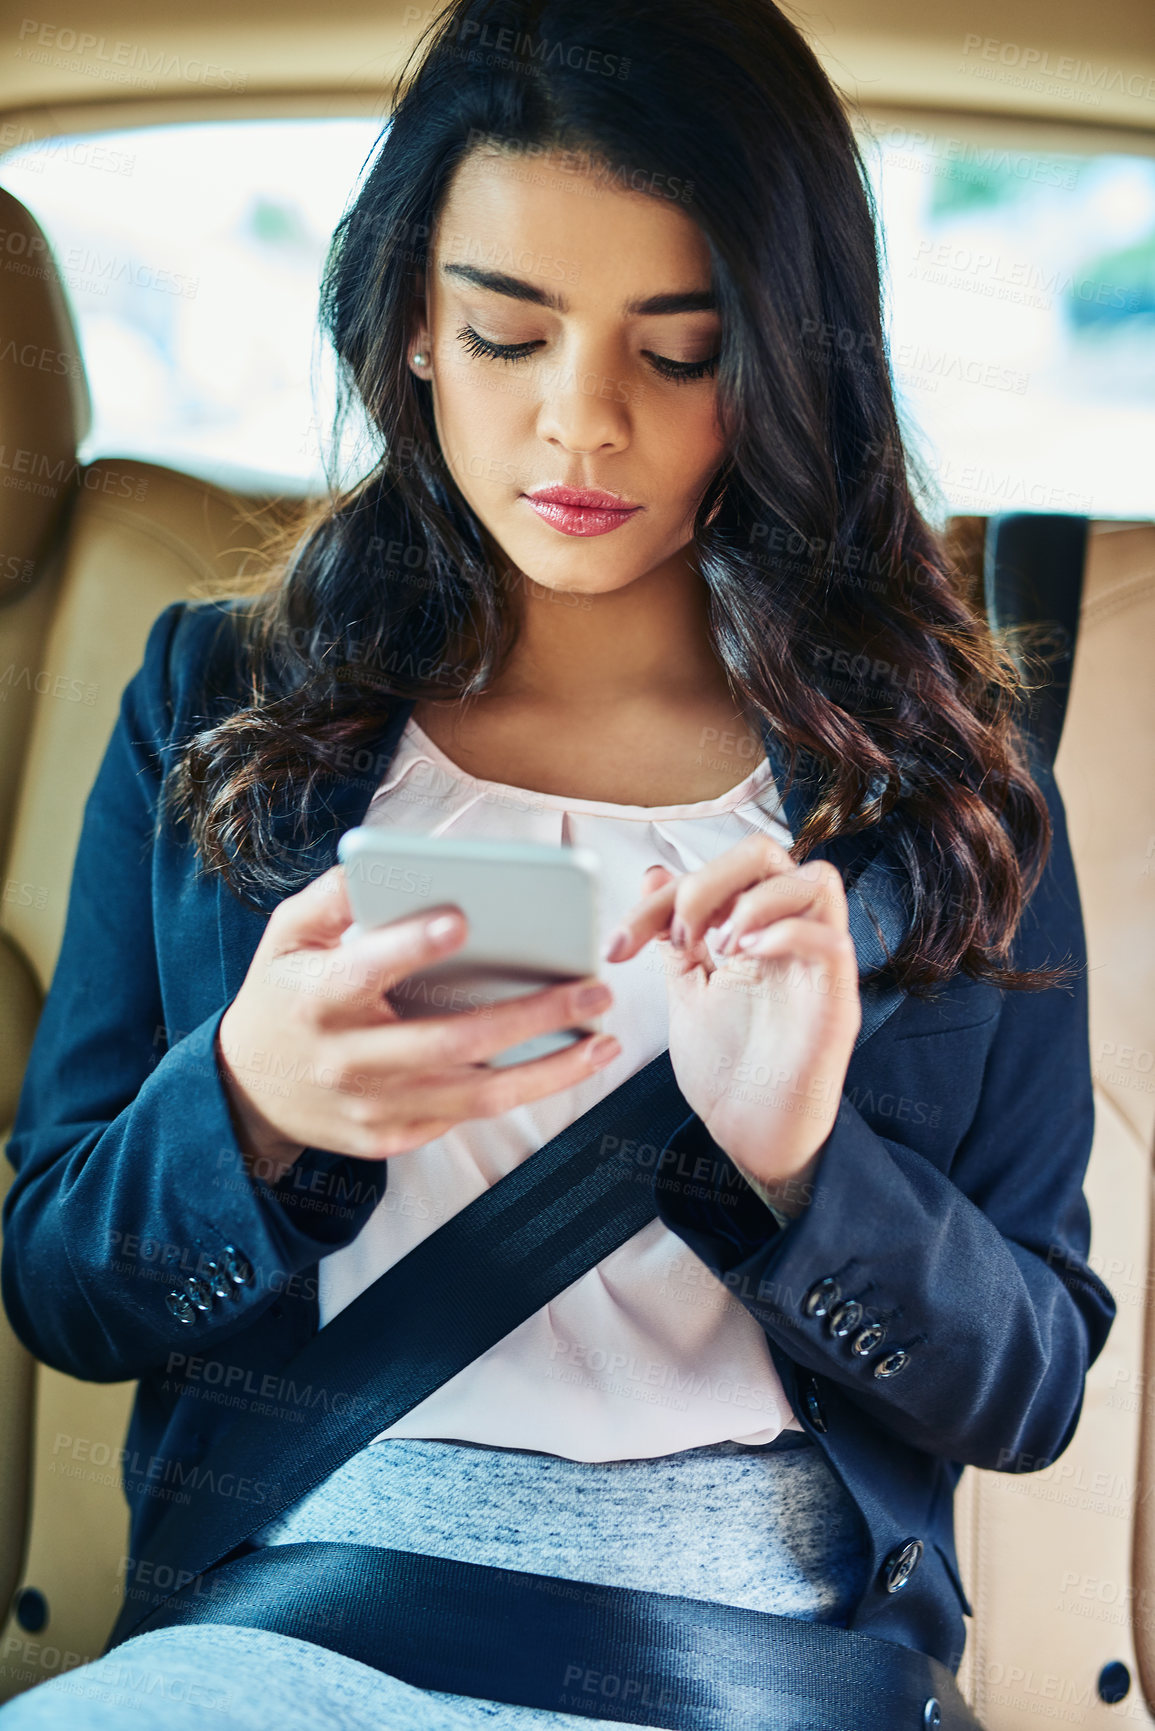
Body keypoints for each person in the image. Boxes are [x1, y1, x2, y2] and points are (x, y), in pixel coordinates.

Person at [0, 0, 1116, 1725]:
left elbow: (1031, 1383)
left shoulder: (948, 787)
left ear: (784, 362)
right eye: (508, 333)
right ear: (415, 329)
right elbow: (65, 1278)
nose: (580, 429)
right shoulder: (215, 704)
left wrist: (810, 1169)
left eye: (676, 354)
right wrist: (248, 1103)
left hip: (769, 1664)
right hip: (289, 1634)